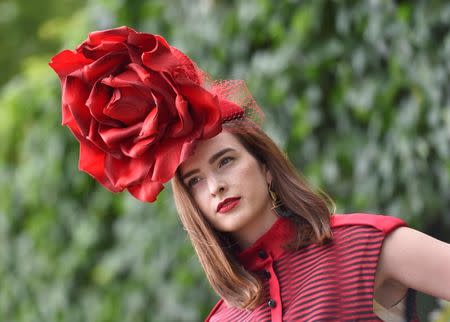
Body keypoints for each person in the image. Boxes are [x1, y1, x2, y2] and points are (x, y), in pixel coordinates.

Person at [49, 26, 450, 321]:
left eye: (225, 161)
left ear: (266, 167)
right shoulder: (222, 318)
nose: (216, 185)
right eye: (195, 181)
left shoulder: (363, 244)